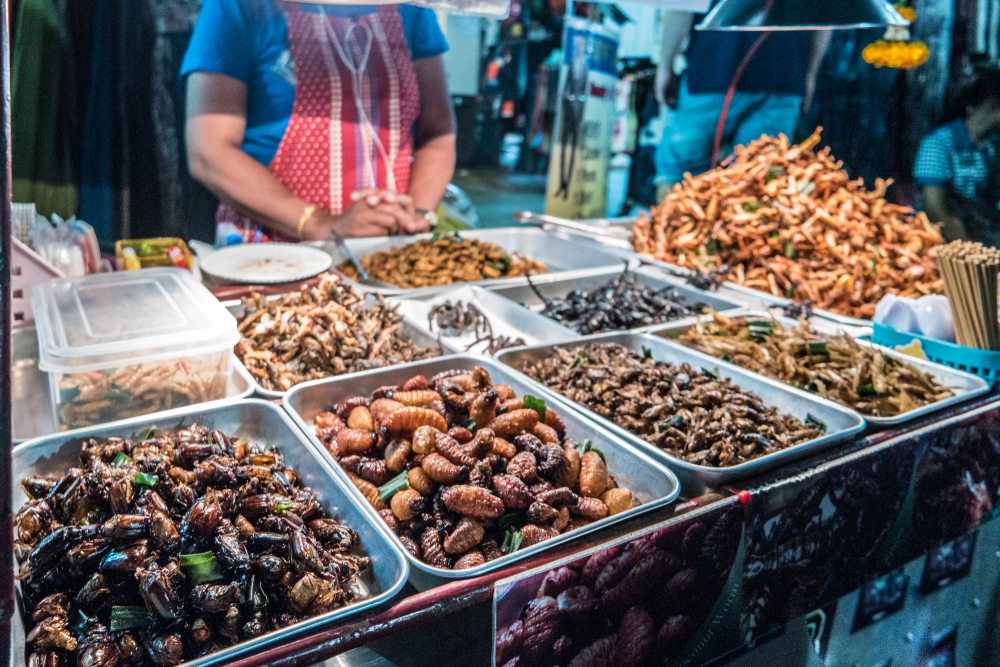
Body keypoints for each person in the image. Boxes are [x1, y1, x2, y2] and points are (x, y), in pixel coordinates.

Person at [182, 0, 457, 242]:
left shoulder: (412, 9)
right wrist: (319, 225)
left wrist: (416, 217)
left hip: (384, 252)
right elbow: (209, 151)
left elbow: (438, 134)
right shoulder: (240, 6)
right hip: (271, 255)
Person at [654, 8, 830, 197]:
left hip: (712, 70)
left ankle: (672, 224)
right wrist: (810, 74)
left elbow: (683, 7)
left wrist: (665, 64)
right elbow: (825, 15)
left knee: (682, 178)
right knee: (758, 182)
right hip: (784, 76)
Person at [914, 68, 1000, 244]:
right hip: (948, 244)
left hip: (987, 234)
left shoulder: (992, 145)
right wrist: (970, 250)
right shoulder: (937, 144)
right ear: (992, 105)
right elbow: (934, 207)